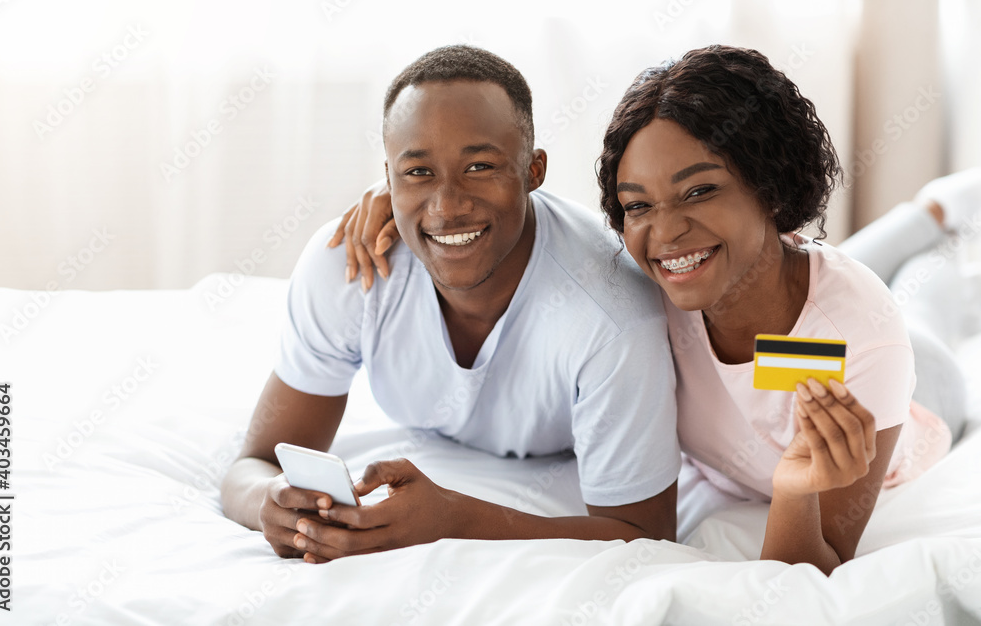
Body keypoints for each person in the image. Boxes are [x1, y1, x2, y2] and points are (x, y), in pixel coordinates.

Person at [338, 46, 973, 574]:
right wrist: (405, 192)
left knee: (929, 302)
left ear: (772, 186)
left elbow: (806, 572)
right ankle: (935, 212)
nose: (665, 234)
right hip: (786, 284)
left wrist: (792, 491)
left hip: (923, 401)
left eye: (700, 190)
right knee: (779, 264)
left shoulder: (859, 345)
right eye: (638, 205)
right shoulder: (648, 283)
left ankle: (946, 247)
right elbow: (517, 210)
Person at [220, 45, 682, 564]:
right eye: (418, 173)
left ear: (534, 170)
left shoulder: (611, 315)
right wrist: (270, 504)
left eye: (480, 166)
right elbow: (252, 464)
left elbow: (644, 532)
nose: (447, 206)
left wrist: (453, 520)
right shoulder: (349, 267)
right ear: (388, 179)